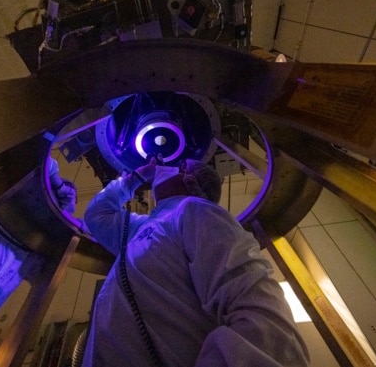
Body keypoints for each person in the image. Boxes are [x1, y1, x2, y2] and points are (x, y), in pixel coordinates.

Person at [80, 157, 310, 367]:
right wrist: (138, 176)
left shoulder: (195, 210)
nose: (167, 165)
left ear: (188, 179)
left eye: (179, 165)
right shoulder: (144, 227)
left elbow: (266, 324)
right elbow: (97, 215)